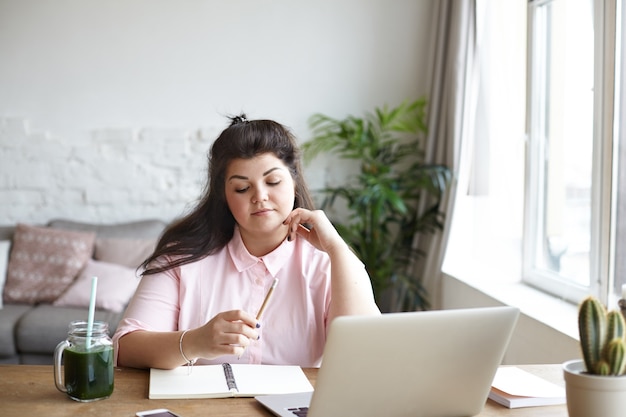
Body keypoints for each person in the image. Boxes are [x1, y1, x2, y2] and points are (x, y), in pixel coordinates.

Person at [113, 114, 380, 370]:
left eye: (273, 181)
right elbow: (125, 347)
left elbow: (364, 358)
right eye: (242, 188)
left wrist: (337, 249)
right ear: (225, 196)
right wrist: (195, 342)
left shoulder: (325, 262)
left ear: (294, 182)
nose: (260, 196)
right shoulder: (181, 258)